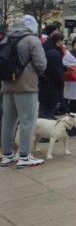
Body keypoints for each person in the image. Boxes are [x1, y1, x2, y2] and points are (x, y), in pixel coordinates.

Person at [0, 15, 47, 168]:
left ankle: (7, 155)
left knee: (8, 121)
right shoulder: (32, 40)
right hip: (26, 86)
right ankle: (25, 156)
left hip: (7, 85)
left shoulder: (6, 39)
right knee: (27, 121)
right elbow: (41, 64)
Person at [38, 32, 65, 119]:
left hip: (44, 86)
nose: (63, 44)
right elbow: (56, 73)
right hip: (51, 88)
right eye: (63, 41)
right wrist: (62, 83)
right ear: (59, 41)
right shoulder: (55, 54)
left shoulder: (48, 49)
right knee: (46, 114)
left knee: (44, 112)